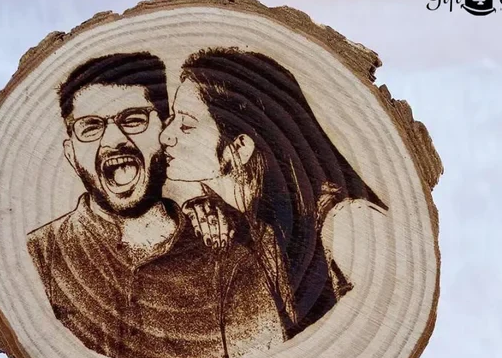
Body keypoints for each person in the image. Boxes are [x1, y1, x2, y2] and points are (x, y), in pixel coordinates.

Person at [26, 52, 283, 358]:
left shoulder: (229, 248)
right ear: (71, 153)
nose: (113, 140)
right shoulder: (37, 255)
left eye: (133, 120)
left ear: (163, 133)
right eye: (90, 127)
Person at [160, 48, 388, 339]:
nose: (165, 136)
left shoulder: (348, 221)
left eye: (186, 125)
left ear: (240, 147)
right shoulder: (249, 224)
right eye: (171, 118)